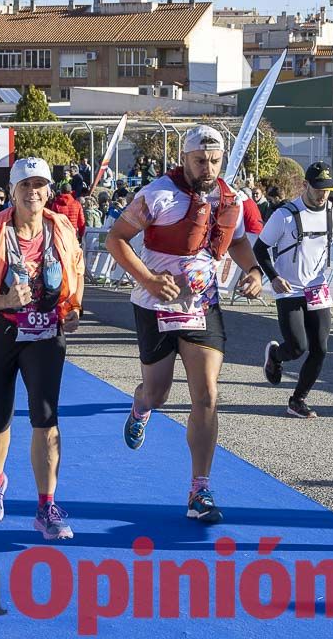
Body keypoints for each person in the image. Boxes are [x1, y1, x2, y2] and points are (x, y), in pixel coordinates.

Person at [106, 125, 264, 522]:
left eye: (215, 160)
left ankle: (200, 489)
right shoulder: (158, 193)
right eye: (200, 160)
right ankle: (141, 407)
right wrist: (147, 279)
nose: (208, 168)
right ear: (185, 158)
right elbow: (117, 239)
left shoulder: (232, 198)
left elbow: (240, 242)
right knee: (157, 394)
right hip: (154, 305)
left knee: (207, 395)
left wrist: (254, 271)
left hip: (201, 306)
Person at [0, 157, 84, 540]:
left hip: (45, 335)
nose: (33, 192)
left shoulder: (61, 227)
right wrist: (7, 301)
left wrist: (74, 308)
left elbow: (75, 271)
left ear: (49, 190)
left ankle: (47, 505)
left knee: (46, 417)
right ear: (12, 191)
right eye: (25, 185)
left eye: (40, 185)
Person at [253, 163, 333, 418]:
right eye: (317, 189)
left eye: (327, 190)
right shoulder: (285, 215)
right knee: (297, 347)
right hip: (289, 288)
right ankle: (276, 355)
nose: (322, 194)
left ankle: (297, 400)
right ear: (305, 186)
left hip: (317, 287)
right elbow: (260, 249)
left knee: (320, 349)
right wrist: (274, 277)